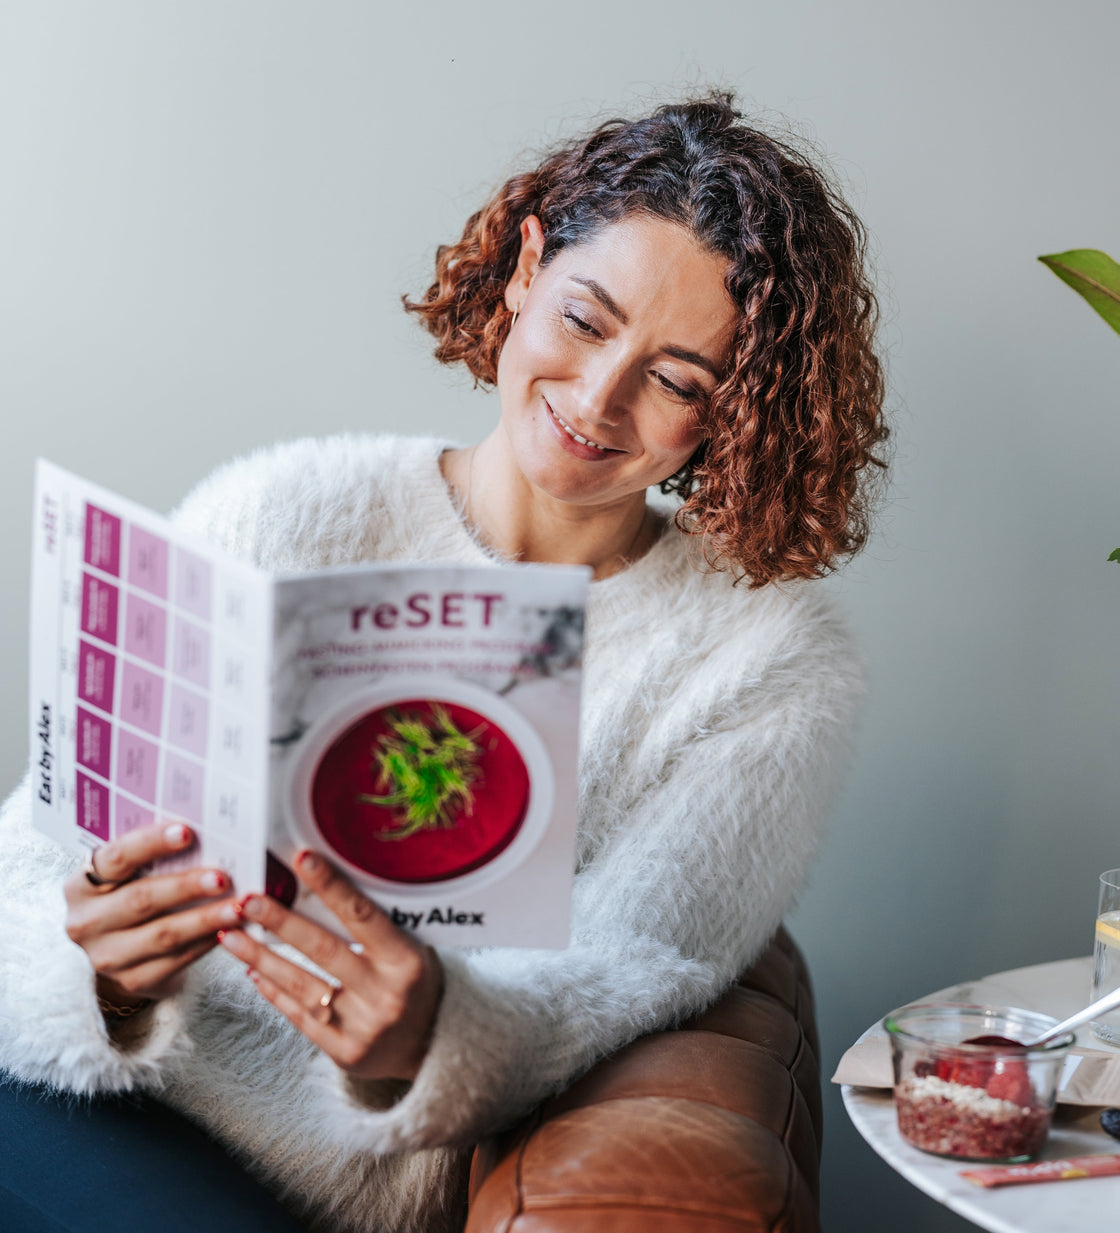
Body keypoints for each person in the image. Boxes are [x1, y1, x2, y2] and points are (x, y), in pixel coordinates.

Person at [0, 94, 887, 1232]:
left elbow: (638, 962)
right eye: (584, 317)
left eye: (677, 381)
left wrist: (431, 1036)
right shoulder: (285, 508)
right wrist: (100, 974)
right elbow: (36, 851)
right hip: (77, 1091)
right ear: (525, 270)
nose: (597, 398)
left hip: (314, 1177)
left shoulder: (765, 665)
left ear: (734, 414)